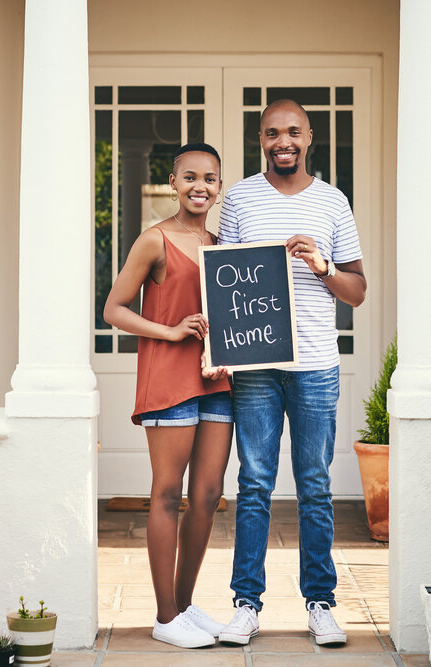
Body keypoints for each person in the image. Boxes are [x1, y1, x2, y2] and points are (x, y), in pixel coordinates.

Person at [216, 99, 367, 646]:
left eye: (293, 132)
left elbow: (358, 289)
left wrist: (321, 265)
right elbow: (223, 281)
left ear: (310, 137)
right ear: (261, 138)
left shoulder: (332, 202)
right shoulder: (240, 199)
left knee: (315, 485)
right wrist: (224, 344)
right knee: (254, 483)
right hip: (257, 365)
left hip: (316, 367)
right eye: (273, 133)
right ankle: (245, 604)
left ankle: (320, 603)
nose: (284, 141)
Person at [103, 143, 233, 649]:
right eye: (192, 176)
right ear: (174, 182)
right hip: (169, 383)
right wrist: (172, 331)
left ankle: (182, 606)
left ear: (220, 187)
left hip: (216, 380)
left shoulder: (224, 248)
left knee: (206, 496)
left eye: (212, 178)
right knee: (166, 493)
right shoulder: (153, 240)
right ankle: (163, 615)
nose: (202, 186)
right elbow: (114, 309)